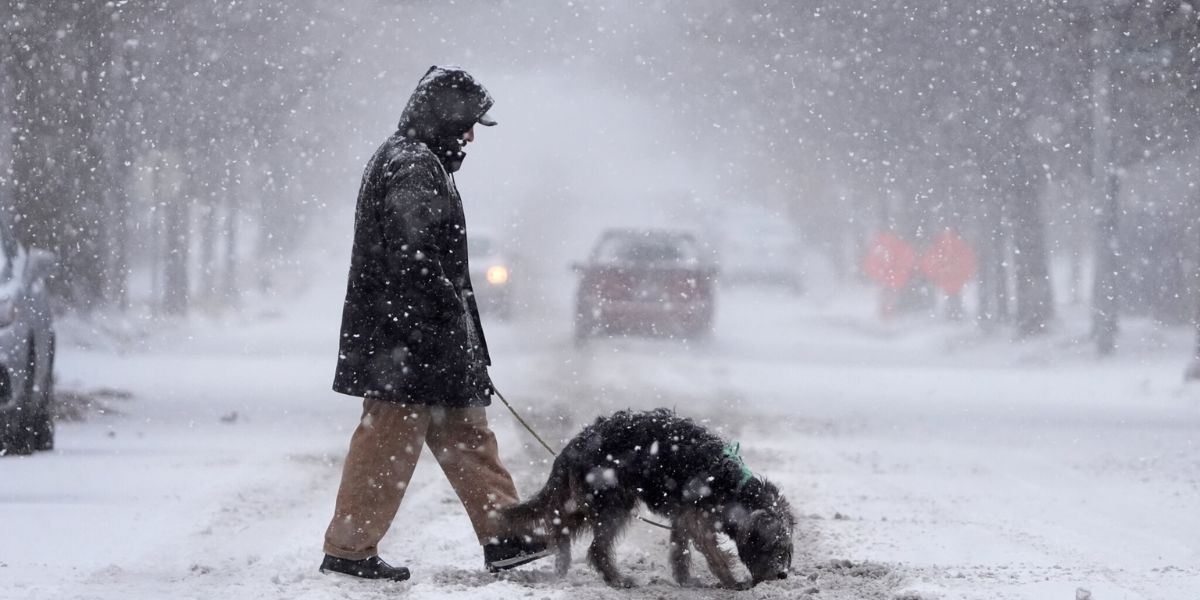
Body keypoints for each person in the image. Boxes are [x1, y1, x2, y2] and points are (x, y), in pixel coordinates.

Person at [320, 65, 549, 582]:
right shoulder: (412, 165)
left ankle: (506, 536)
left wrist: (454, 332)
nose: (470, 137)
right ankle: (349, 550)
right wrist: (444, 316)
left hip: (423, 338)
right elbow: (413, 254)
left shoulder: (419, 161)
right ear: (444, 118)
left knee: (466, 432)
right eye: (467, 125)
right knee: (388, 441)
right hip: (406, 340)